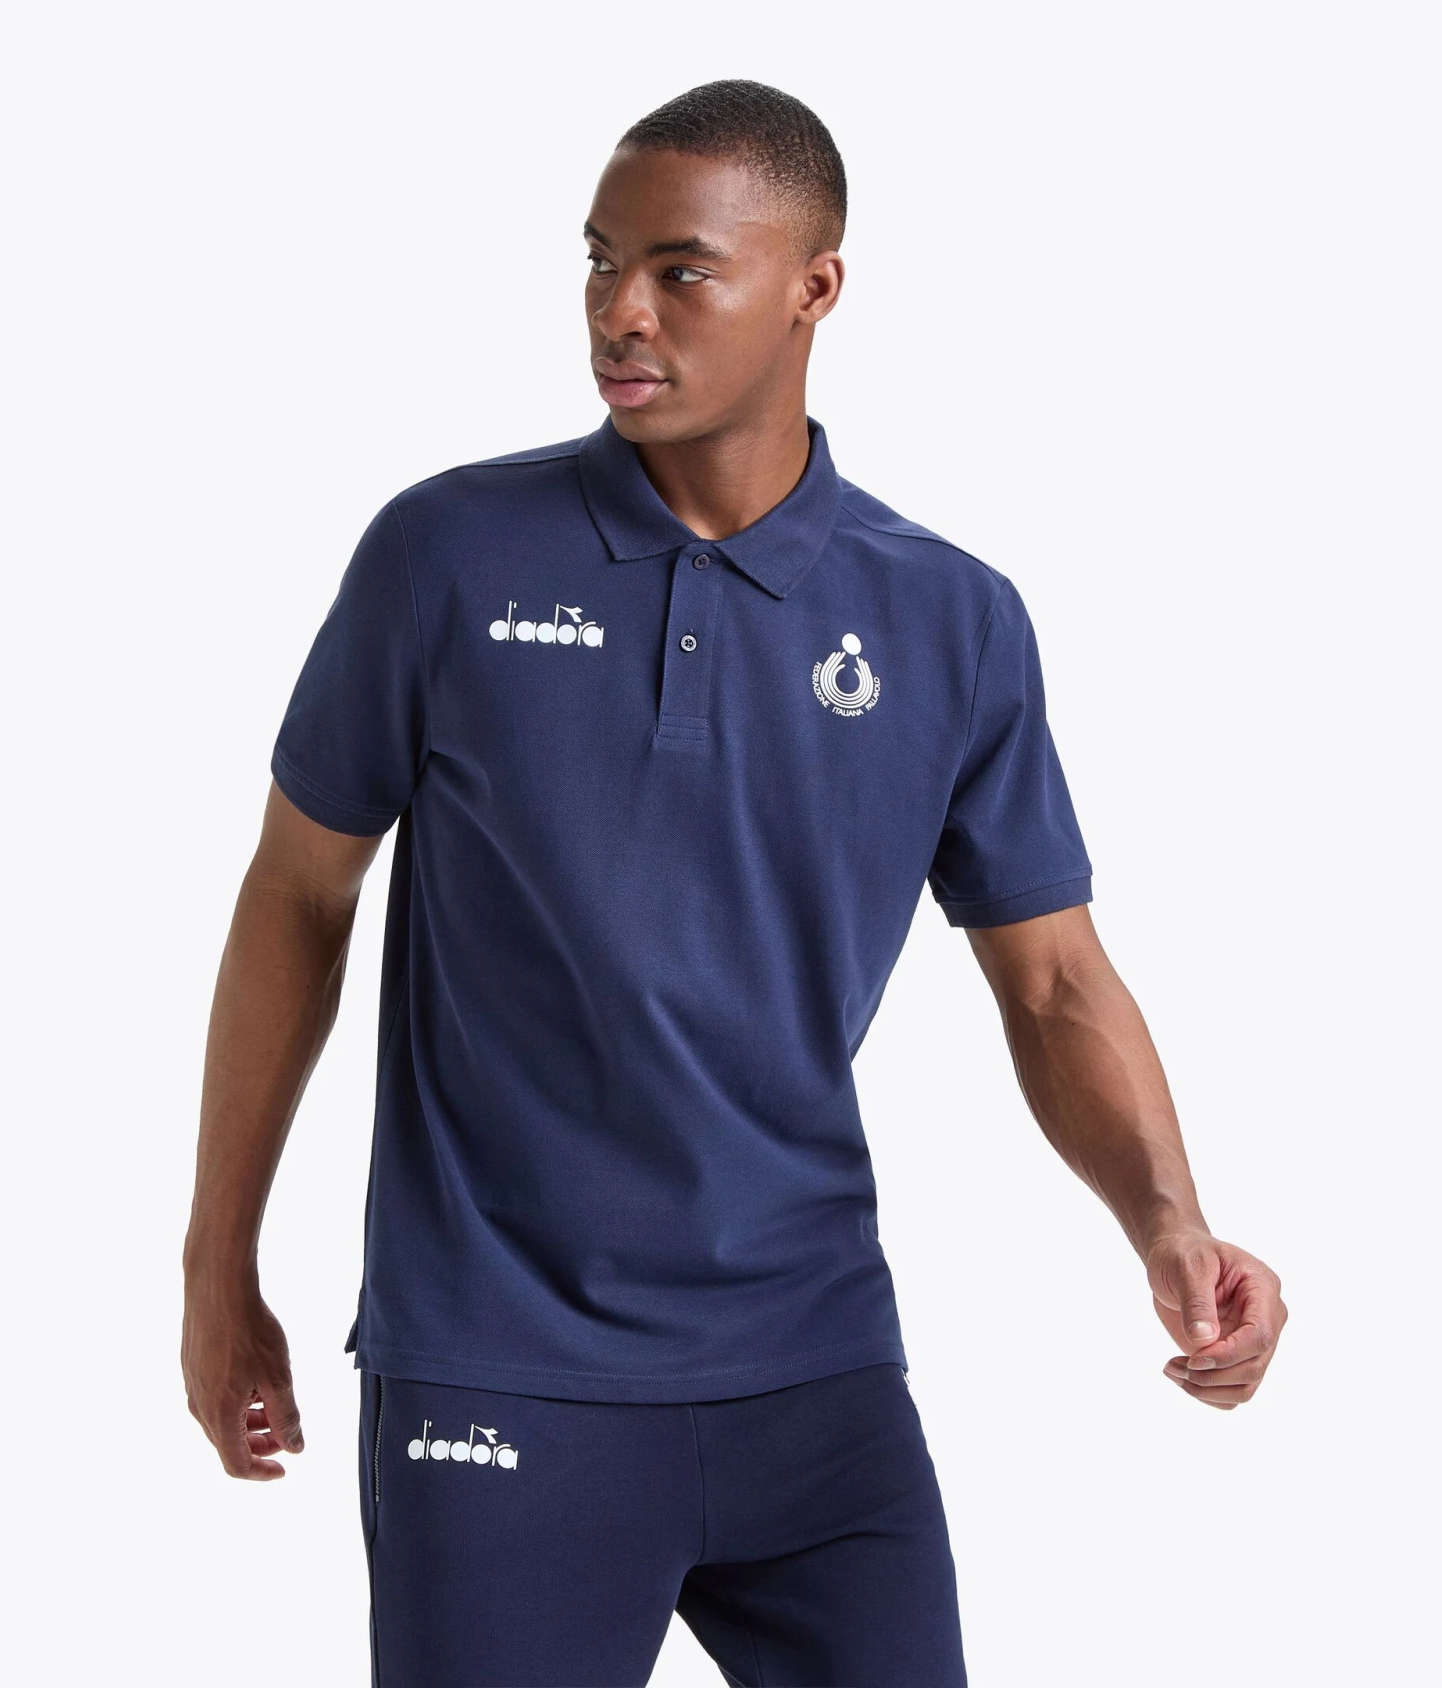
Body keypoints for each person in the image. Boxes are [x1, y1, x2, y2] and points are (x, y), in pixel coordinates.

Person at [181, 79, 1287, 1688]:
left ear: (813, 288)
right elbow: (297, 893)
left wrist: (1170, 1226)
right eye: (598, 260)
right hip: (502, 1372)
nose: (617, 312)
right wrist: (218, 1267)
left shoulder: (951, 618)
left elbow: (1052, 979)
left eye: (679, 271)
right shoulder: (446, 556)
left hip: (817, 1383)